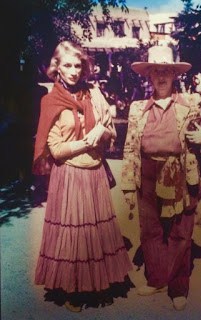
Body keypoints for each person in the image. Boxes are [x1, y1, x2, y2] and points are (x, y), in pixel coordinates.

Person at [33, 41, 132, 312]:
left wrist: (102, 131)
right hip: (69, 175)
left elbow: (111, 132)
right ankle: (72, 287)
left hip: (95, 173)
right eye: (67, 65)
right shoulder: (50, 101)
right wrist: (87, 142)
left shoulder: (93, 94)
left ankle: (97, 281)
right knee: (73, 237)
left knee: (95, 233)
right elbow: (55, 150)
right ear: (57, 68)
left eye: (78, 65)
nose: (74, 71)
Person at [121, 45, 201, 311]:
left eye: (166, 71)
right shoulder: (137, 108)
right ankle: (156, 278)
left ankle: (177, 286)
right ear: (149, 75)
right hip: (147, 175)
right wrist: (128, 185)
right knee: (150, 231)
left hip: (181, 175)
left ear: (174, 75)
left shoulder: (190, 104)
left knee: (181, 232)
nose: (161, 76)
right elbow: (129, 147)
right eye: (156, 71)